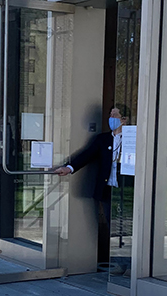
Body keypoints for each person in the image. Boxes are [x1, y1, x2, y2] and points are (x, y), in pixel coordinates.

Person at [54, 107, 127, 267]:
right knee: (112, 226)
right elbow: (86, 154)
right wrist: (69, 168)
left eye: (115, 115)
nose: (111, 117)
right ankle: (119, 264)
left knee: (126, 227)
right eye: (110, 114)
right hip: (108, 190)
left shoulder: (132, 140)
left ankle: (131, 264)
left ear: (124, 120)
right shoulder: (102, 139)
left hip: (127, 191)